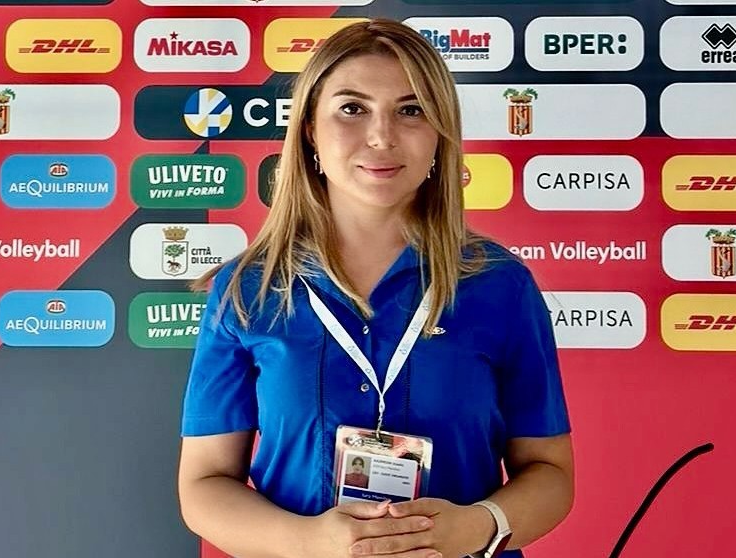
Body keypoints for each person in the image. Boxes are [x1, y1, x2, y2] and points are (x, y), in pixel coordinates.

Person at [177, 18, 573, 558]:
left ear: (440, 134)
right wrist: (309, 542)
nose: (382, 136)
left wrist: (476, 527)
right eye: (352, 108)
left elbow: (550, 474)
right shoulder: (247, 290)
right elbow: (204, 486)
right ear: (310, 131)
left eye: (411, 111)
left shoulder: (500, 284)